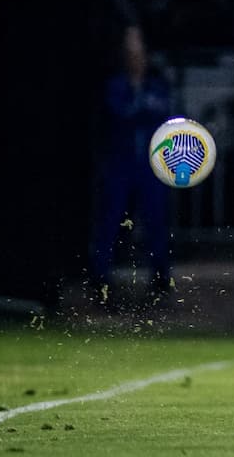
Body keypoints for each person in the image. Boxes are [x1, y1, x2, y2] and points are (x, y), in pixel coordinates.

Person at [89, 25, 172, 303]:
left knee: (155, 221)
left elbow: (164, 115)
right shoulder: (116, 86)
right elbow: (120, 113)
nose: (135, 56)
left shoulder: (156, 86)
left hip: (150, 166)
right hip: (120, 164)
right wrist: (140, 105)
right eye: (130, 51)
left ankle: (161, 278)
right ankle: (100, 278)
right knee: (110, 221)